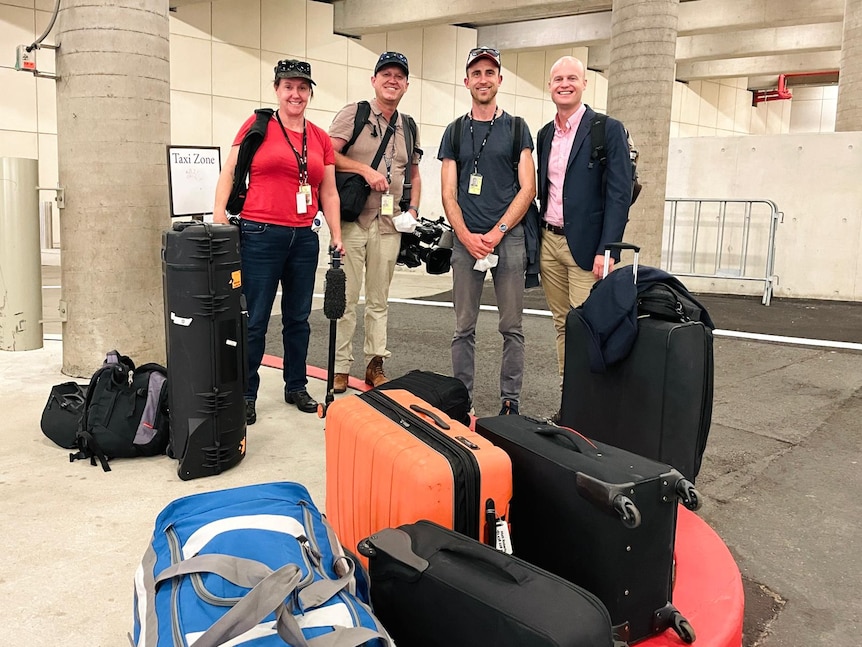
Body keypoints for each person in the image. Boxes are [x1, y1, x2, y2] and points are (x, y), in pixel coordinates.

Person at [214, 59, 343, 424]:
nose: (295, 94)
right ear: (276, 90)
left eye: (302, 88)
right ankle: (246, 393)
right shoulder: (258, 126)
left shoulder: (319, 138)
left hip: (304, 238)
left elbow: (328, 191)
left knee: (298, 319)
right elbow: (230, 170)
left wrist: (335, 232)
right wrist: (219, 214)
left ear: (309, 93)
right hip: (259, 233)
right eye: (288, 87)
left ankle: (296, 385)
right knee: (254, 319)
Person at [438, 46, 536, 416]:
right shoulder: (455, 131)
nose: (483, 79)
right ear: (467, 81)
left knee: (512, 327)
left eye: (489, 72)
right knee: (463, 327)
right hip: (466, 241)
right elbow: (448, 191)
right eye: (476, 73)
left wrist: (497, 232)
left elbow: (529, 188)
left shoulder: (516, 128)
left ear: (499, 79)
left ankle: (510, 401)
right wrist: (464, 235)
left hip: (507, 239)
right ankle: (461, 401)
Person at [328, 51, 422, 392]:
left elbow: (413, 173)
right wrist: (365, 170)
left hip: (388, 224)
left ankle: (374, 363)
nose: (392, 80)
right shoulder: (355, 114)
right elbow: (329, 156)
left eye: (399, 76)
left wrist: (412, 211)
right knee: (348, 299)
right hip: (353, 221)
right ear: (374, 80)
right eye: (386, 74)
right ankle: (339, 367)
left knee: (379, 300)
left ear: (406, 85)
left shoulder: (408, 126)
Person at [536, 55, 631, 382]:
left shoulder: (608, 130)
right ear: (550, 86)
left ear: (584, 84)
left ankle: (594, 402)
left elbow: (619, 195)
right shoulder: (545, 134)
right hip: (549, 243)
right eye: (558, 79)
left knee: (589, 325)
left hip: (587, 247)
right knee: (562, 323)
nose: (565, 84)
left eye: (572, 78)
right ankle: (570, 396)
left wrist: (608, 252)